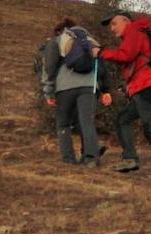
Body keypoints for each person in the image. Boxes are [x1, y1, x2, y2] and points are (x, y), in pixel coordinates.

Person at [97, 11, 151, 180]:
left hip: (146, 87)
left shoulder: (133, 32)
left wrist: (100, 53)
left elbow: (124, 56)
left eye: (114, 24)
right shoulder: (138, 34)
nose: (112, 29)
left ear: (126, 21)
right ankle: (131, 159)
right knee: (123, 119)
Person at [41, 18, 112, 166]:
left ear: (62, 30)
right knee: (87, 122)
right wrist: (105, 90)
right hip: (89, 86)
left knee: (63, 124)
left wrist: (48, 92)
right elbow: (102, 67)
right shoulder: (90, 41)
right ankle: (91, 158)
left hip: (65, 88)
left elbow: (49, 68)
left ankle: (68, 160)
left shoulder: (58, 40)